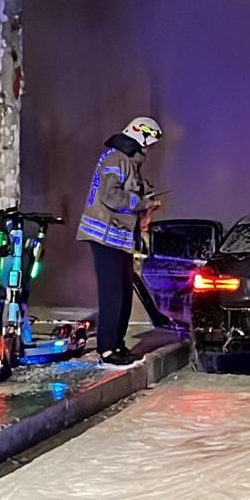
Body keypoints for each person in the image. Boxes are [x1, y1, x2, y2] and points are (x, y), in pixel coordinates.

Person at [77, 116, 163, 367]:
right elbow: (110, 196)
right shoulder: (117, 158)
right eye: (151, 142)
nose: (150, 149)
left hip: (117, 238)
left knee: (123, 294)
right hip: (106, 236)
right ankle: (107, 350)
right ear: (142, 136)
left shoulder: (124, 160)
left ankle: (116, 344)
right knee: (113, 294)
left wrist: (142, 191)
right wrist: (142, 202)